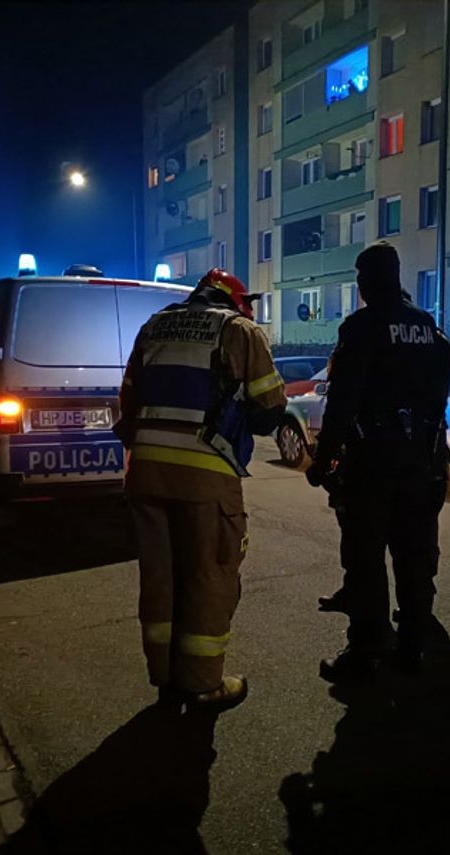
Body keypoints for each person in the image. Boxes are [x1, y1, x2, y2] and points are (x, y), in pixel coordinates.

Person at [116, 268, 287, 712]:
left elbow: (127, 404)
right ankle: (203, 684)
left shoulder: (152, 326)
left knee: (159, 577)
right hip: (205, 471)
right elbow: (271, 410)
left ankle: (165, 677)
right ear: (233, 299)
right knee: (210, 575)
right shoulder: (239, 331)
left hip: (147, 473)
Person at [306, 242, 450, 681]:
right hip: (422, 462)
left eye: (359, 277)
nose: (359, 285)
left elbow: (343, 401)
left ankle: (368, 650)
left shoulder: (363, 326)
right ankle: (414, 646)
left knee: (366, 558)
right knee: (415, 556)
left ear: (369, 279)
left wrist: (324, 457)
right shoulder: (427, 326)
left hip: (374, 463)